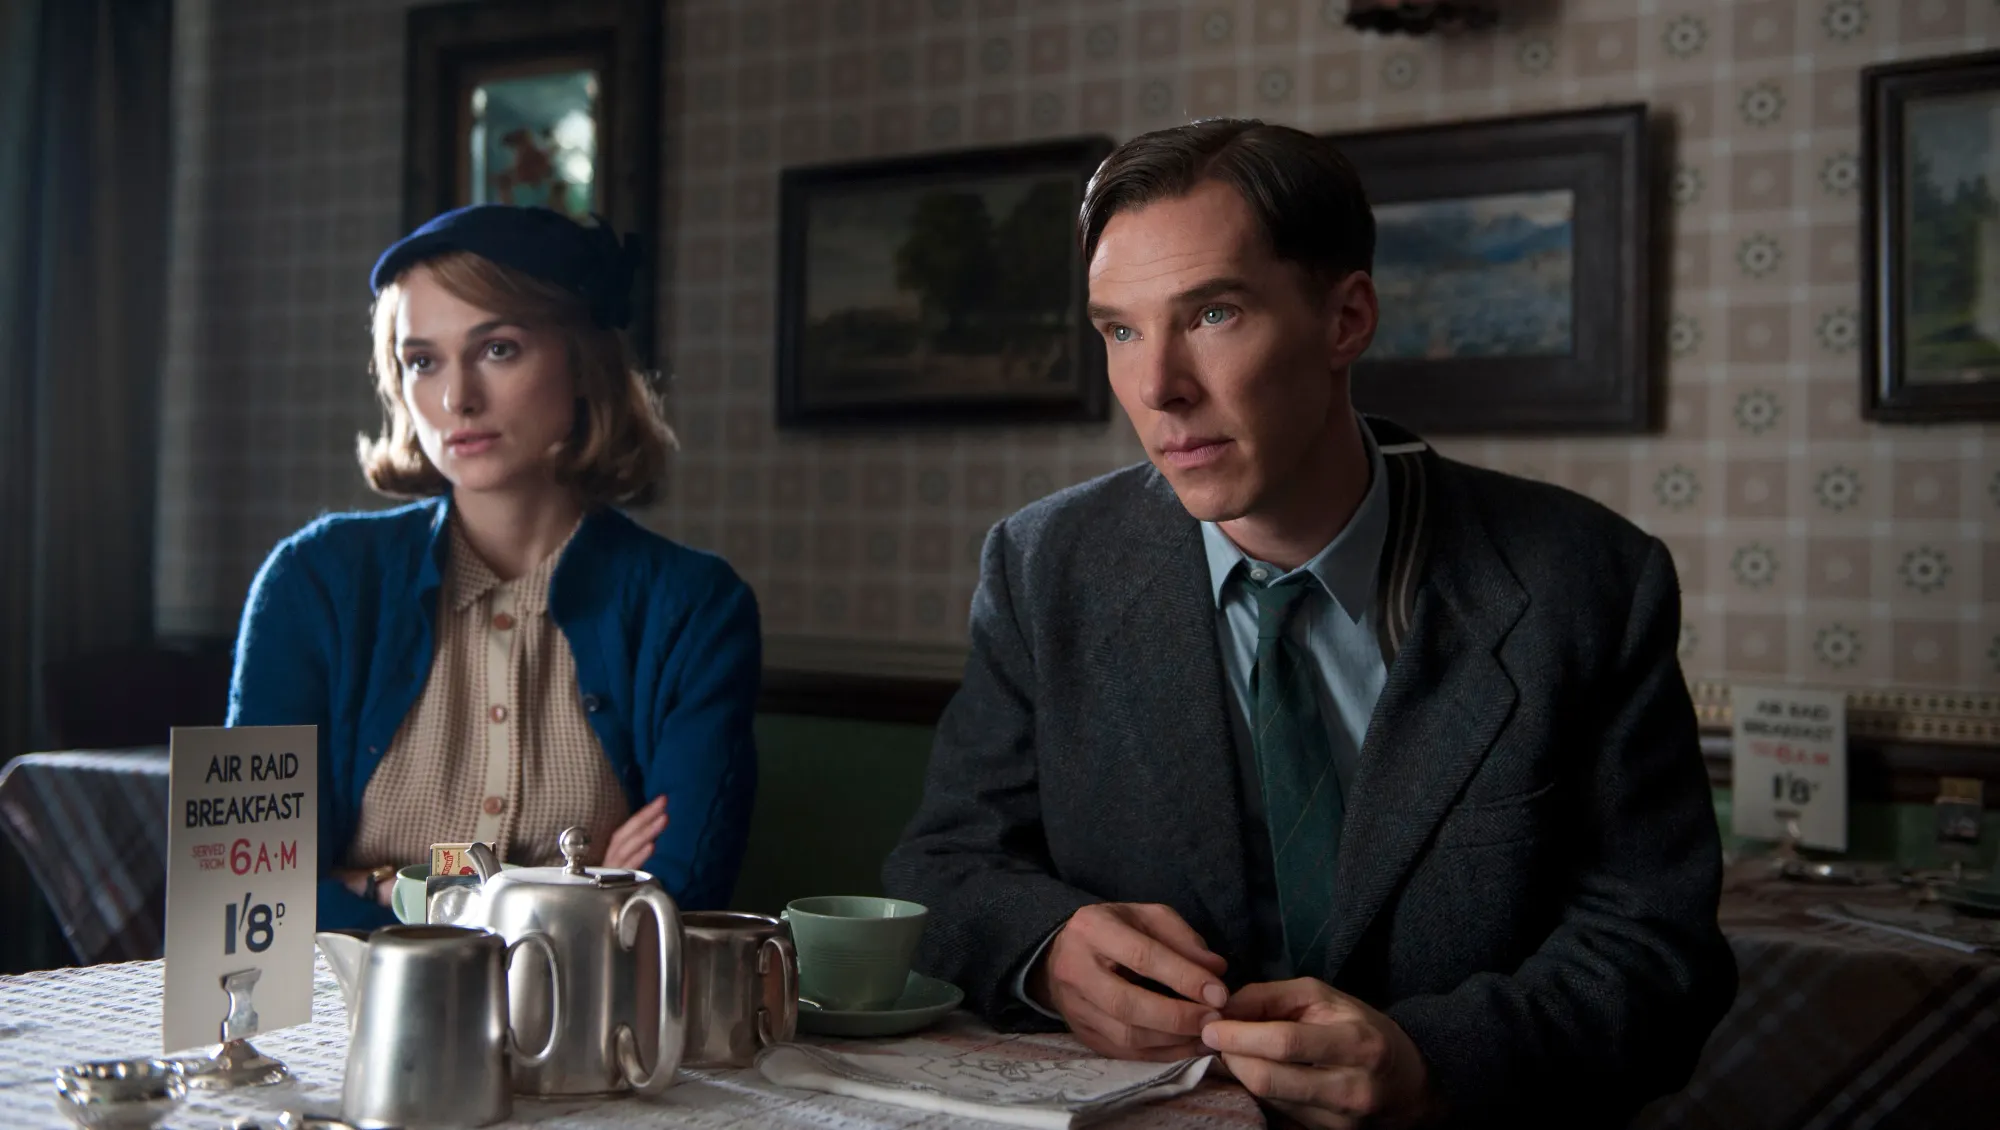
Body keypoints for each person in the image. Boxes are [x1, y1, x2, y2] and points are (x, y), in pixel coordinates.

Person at [882, 120, 1735, 1128]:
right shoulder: (1040, 566)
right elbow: (942, 868)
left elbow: (1656, 956)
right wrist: (1046, 944)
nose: (1156, 386)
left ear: (1346, 317)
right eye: (1118, 329)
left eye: (1210, 312)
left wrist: (1431, 1060)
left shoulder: (1584, 580)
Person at [230, 204, 760, 932]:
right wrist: (574, 887)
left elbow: (672, 906)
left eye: (499, 349)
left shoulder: (695, 607)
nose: (456, 399)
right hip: (332, 1022)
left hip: (581, 1024)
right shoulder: (314, 582)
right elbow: (252, 892)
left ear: (582, 364)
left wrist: (376, 886)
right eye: (422, 361)